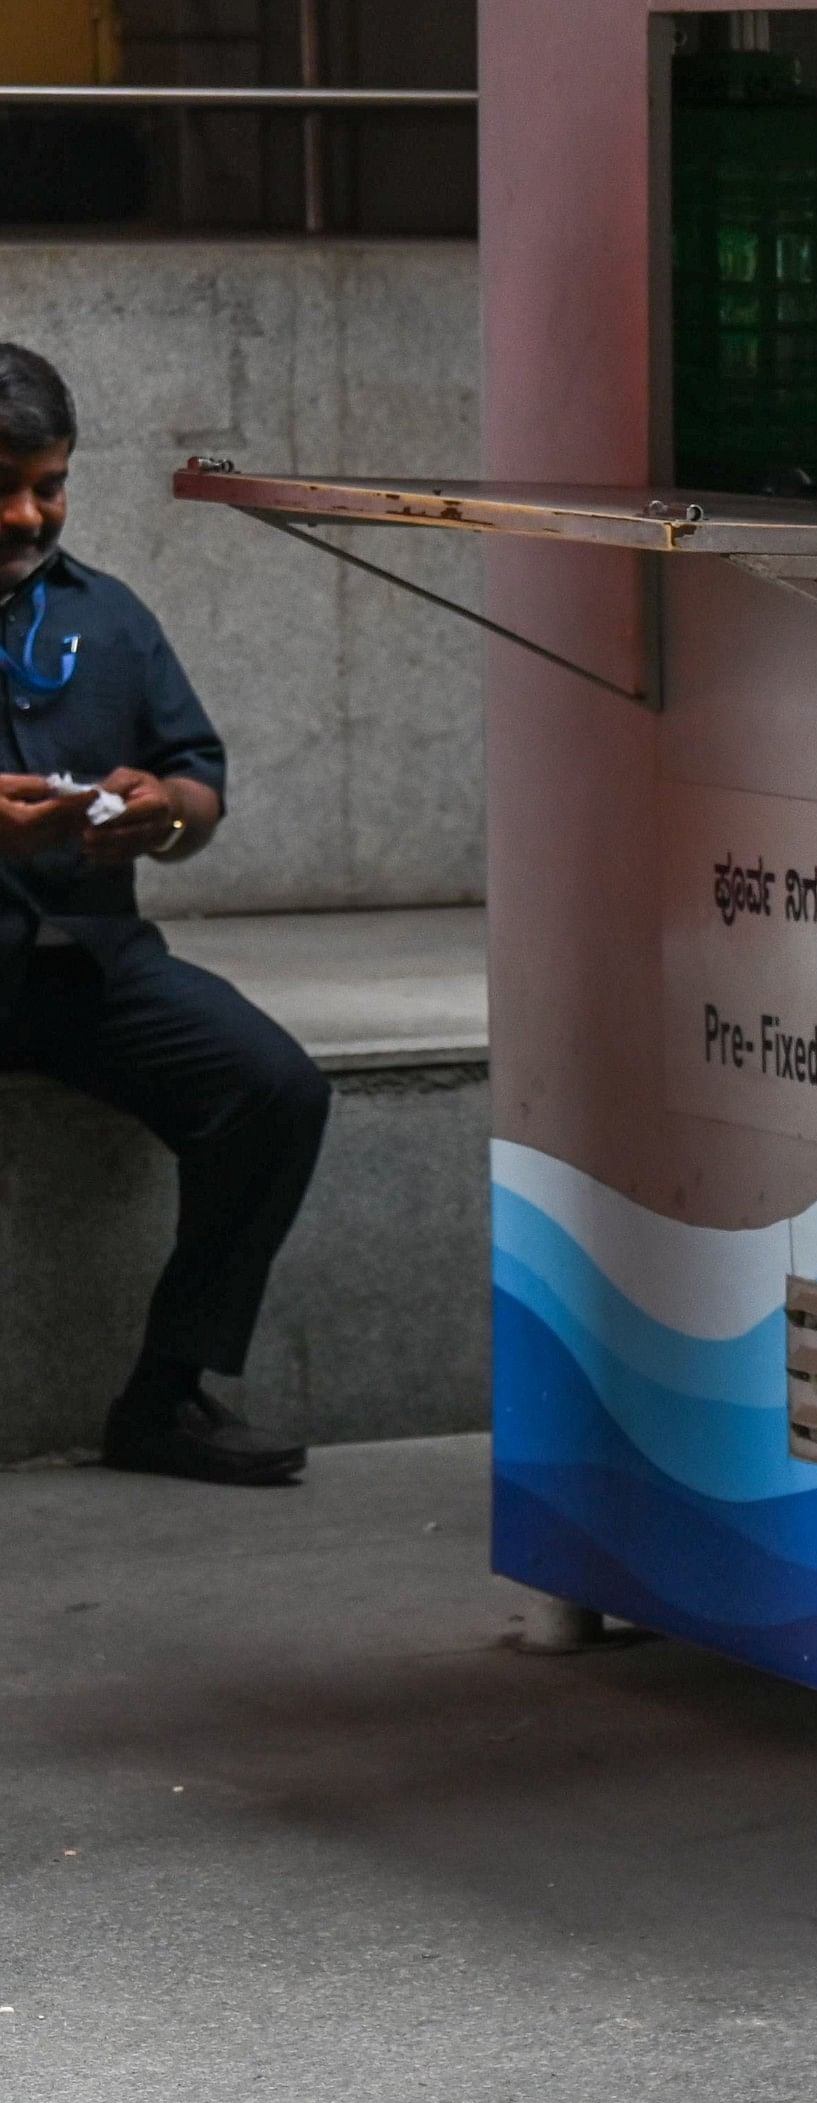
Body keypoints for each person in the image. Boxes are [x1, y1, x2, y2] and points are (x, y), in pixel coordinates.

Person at [0, 343, 332, 1488]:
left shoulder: (110, 616)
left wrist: (166, 815)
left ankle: (167, 1393)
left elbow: (198, 784)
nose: (26, 512)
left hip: (82, 965)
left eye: (49, 483)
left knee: (274, 1088)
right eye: (2, 483)